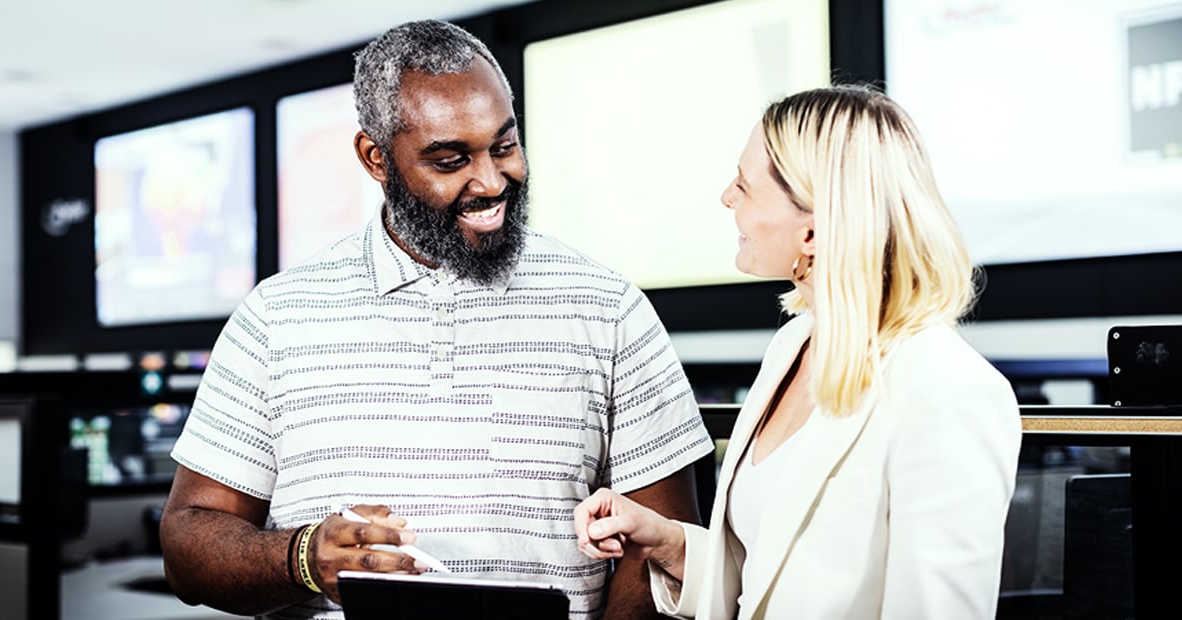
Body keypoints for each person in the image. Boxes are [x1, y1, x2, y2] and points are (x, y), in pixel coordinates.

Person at [158, 19, 714, 620]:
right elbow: (189, 544)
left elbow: (662, 544)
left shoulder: (608, 307)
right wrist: (301, 558)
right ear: (376, 158)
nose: (492, 181)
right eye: (451, 160)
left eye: (504, 145)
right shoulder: (276, 316)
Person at [573, 85, 1023, 619]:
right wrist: (665, 541)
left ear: (811, 229)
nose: (726, 197)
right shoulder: (793, 345)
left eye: (744, 185)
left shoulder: (947, 388)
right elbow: (767, 574)